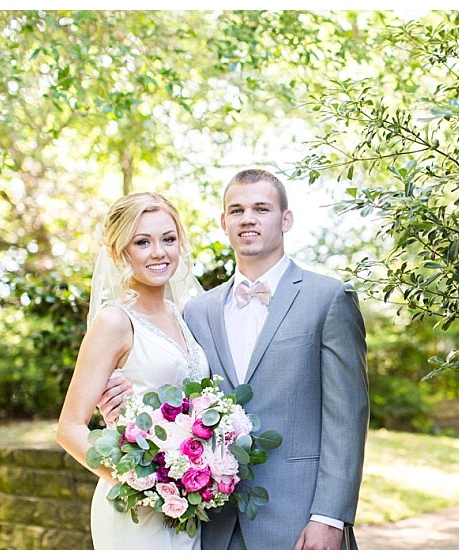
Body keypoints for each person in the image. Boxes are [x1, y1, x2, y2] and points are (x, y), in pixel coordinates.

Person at [99, 169, 369, 550]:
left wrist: (329, 517)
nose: (248, 219)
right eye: (237, 210)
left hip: (301, 519)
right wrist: (122, 416)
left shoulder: (328, 298)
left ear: (286, 219)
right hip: (212, 523)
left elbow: (348, 417)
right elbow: (174, 395)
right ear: (224, 222)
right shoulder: (195, 311)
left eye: (261, 208)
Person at [56, 192, 206, 549]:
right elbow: (69, 428)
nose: (159, 252)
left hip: (188, 506)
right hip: (136, 509)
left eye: (168, 239)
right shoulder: (114, 321)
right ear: (121, 251)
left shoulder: (184, 315)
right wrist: (144, 485)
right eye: (143, 242)